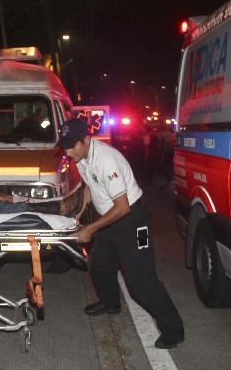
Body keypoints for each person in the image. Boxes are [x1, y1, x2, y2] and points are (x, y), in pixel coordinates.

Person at [56, 119, 184, 350]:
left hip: (133, 221)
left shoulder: (106, 160)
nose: (67, 152)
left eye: (71, 146)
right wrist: (81, 212)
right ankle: (110, 303)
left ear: (86, 140)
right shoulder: (81, 156)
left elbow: (123, 207)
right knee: (100, 266)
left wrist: (91, 228)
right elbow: (89, 186)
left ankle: (174, 330)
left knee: (140, 280)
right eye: (64, 147)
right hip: (110, 221)